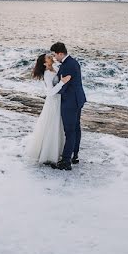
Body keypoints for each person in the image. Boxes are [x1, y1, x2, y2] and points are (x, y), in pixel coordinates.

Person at [23, 53, 70, 164]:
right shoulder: (47, 74)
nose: (50, 57)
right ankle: (48, 153)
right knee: (51, 125)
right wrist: (62, 83)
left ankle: (58, 150)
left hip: (59, 100)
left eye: (50, 56)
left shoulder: (55, 67)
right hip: (53, 102)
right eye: (48, 58)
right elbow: (50, 92)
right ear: (45, 63)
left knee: (58, 125)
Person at [49, 41, 87, 170]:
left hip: (70, 102)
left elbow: (62, 87)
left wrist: (54, 89)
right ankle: (74, 156)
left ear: (60, 53)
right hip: (78, 99)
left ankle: (66, 161)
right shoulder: (73, 62)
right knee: (76, 129)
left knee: (70, 131)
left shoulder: (67, 66)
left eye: (55, 55)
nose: (54, 58)